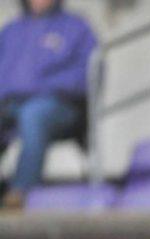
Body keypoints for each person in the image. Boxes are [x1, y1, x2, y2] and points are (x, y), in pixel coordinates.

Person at [0, 0, 96, 209]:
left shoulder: (76, 27)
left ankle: (21, 193)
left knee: (33, 114)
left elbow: (87, 74)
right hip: (11, 103)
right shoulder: (11, 31)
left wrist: (41, 89)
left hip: (61, 105)